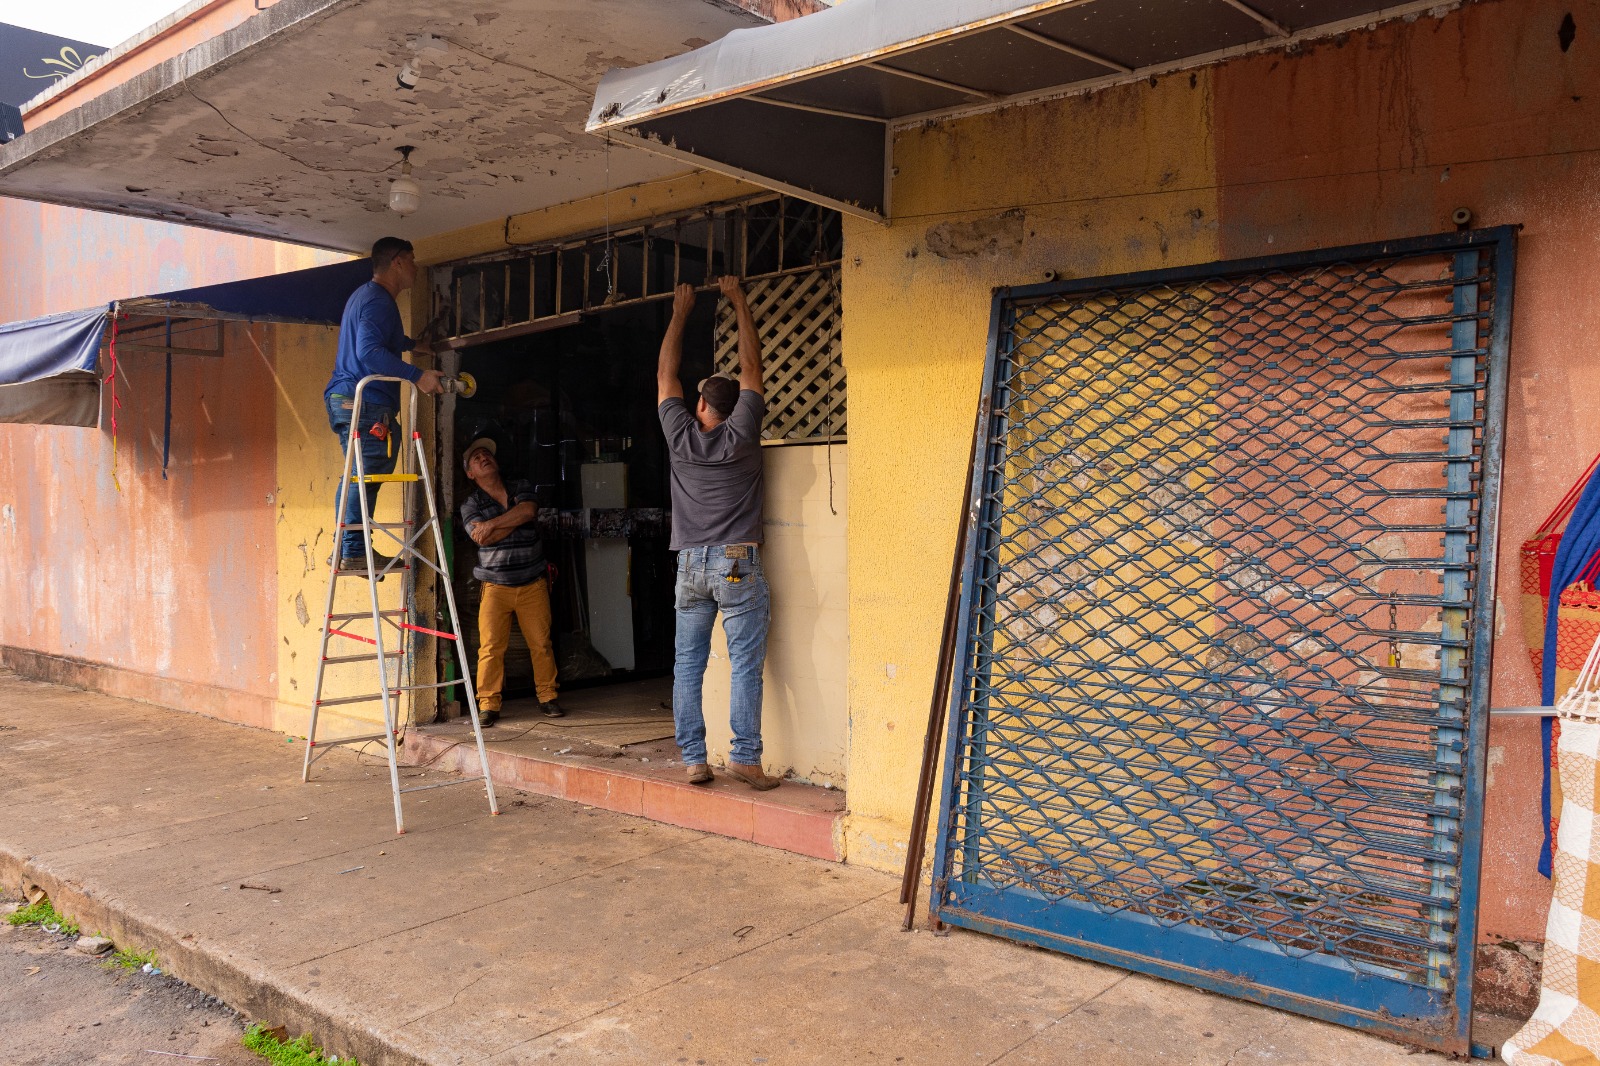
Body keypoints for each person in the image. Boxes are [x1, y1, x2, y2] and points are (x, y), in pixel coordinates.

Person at [657, 277, 778, 790]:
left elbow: (666, 373)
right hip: (736, 562)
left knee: (688, 664)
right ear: (735, 407)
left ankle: (694, 759)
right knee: (745, 664)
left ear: (702, 405)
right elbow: (752, 368)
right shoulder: (743, 431)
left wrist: (681, 310)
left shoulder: (680, 435)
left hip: (689, 562)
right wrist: (740, 301)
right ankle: (744, 758)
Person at [323, 236, 444, 575]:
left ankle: (347, 546)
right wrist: (417, 376)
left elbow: (381, 339)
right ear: (398, 262)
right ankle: (352, 549)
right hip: (364, 401)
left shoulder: (366, 296)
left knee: (359, 474)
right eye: (412, 260)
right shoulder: (378, 300)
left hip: (349, 399)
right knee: (364, 474)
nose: (416, 267)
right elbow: (369, 351)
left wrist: (413, 345)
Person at [459, 437, 563, 726]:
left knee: (541, 644)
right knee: (490, 648)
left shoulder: (520, 486)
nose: (484, 458)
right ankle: (488, 705)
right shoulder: (470, 504)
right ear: (470, 473)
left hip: (533, 582)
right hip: (495, 586)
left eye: (486, 454)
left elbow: (528, 511)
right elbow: (480, 538)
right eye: (476, 458)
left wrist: (491, 524)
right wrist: (513, 519)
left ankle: (548, 697)